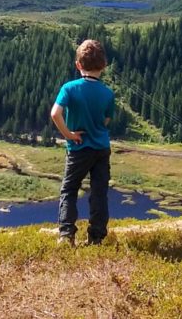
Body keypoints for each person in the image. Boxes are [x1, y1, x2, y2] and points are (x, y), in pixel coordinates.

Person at [50, 39, 115, 247]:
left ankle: (66, 235)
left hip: (78, 148)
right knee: (99, 192)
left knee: (69, 190)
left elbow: (55, 114)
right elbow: (106, 120)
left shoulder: (69, 88)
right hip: (102, 148)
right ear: (103, 65)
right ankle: (96, 238)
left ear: (78, 65)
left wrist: (69, 134)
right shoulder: (108, 93)